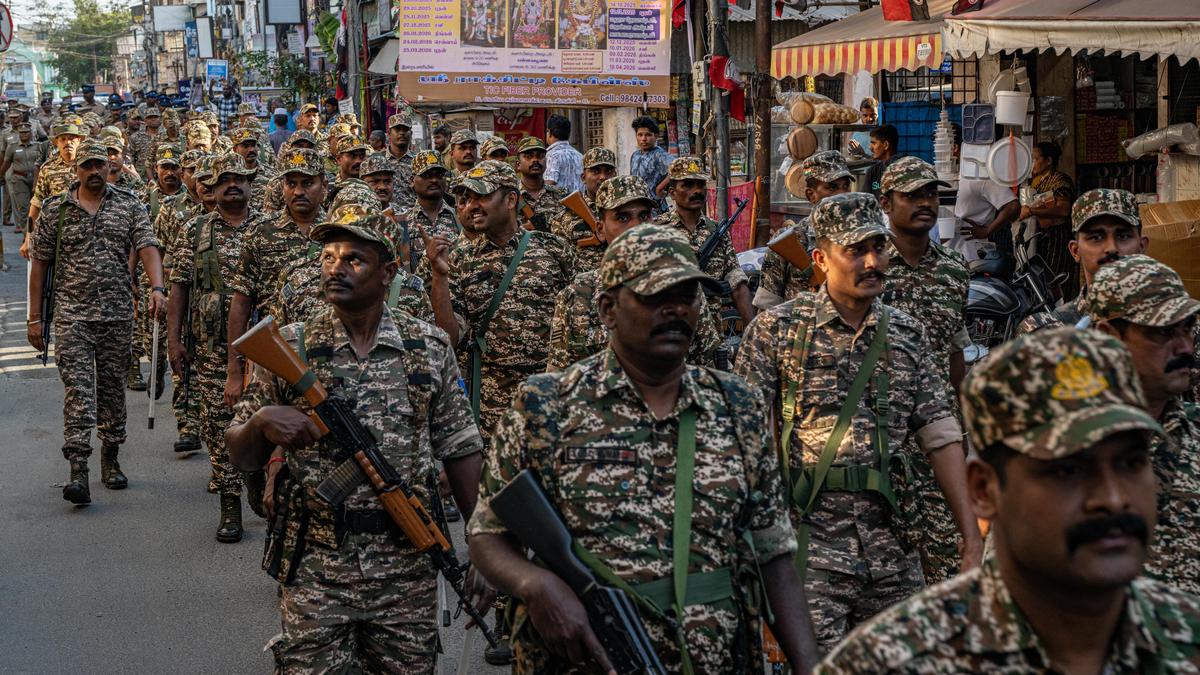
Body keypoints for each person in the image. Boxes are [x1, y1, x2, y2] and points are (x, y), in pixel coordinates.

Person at [469, 222, 821, 673]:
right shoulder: (545, 406)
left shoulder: (738, 406)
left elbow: (774, 555)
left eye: (688, 296)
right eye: (656, 297)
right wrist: (534, 585)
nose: (676, 310)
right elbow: (486, 535)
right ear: (607, 309)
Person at [817, 327, 1200, 673]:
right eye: (1067, 471)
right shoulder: (892, 660)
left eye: (1131, 463)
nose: (1113, 499)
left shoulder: (1185, 638)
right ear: (985, 491)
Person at [227, 207, 485, 673]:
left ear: (388, 272)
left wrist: (482, 544)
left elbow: (461, 448)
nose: (336, 268)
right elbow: (239, 453)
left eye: (354, 258)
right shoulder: (289, 346)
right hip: (315, 567)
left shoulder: (427, 347)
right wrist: (262, 421)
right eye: (328, 256)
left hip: (407, 565)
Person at [733, 192, 983, 650]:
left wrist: (971, 539)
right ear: (821, 259)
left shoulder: (907, 333)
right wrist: (760, 551)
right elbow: (749, 442)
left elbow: (941, 435)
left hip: (893, 547)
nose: (872, 261)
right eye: (855, 250)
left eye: (879, 247)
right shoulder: (777, 331)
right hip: (807, 550)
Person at [27, 140, 166, 504]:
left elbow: (148, 246)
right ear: (77, 170)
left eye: (98, 165)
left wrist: (157, 288)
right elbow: (39, 265)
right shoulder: (57, 209)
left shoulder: (129, 205)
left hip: (117, 315)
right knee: (79, 391)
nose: (92, 171)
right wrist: (35, 318)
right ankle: (78, 470)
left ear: (109, 166)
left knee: (111, 391)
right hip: (72, 316)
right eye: (86, 165)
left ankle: (111, 457)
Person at [168, 153, 273, 542]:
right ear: (212, 185)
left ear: (250, 184)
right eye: (224, 179)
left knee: (263, 420)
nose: (232, 185)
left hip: (265, 351)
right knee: (218, 426)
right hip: (211, 349)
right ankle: (230, 506)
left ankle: (256, 477)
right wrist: (175, 340)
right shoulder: (195, 231)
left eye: (239, 179)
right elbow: (180, 287)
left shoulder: (269, 230)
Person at [877, 157, 971, 584]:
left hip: (937, 434)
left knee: (948, 560)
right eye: (911, 195)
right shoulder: (867, 265)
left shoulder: (953, 271)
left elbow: (955, 351)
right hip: (880, 433)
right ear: (886, 202)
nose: (924, 203)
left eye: (930, 194)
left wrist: (964, 428)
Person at [1086, 253, 1200, 595]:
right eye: (1163, 331)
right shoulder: (1060, 449)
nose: (1184, 347)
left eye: (1188, 328)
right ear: (1109, 337)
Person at [547, 174, 722, 371]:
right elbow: (558, 380)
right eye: (622, 218)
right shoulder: (578, 296)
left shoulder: (684, 289)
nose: (636, 227)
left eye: (644, 216)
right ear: (600, 229)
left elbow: (708, 367)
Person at [1023, 188, 1149, 332]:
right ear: (1075, 251)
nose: (1111, 248)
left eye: (1123, 236)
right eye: (1096, 237)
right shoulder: (1051, 330)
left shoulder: (1170, 323)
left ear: (1141, 247)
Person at [656, 155, 754, 327]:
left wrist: (753, 327)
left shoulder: (716, 231)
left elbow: (735, 278)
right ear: (672, 193)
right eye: (687, 185)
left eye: (700, 184)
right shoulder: (656, 231)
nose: (697, 191)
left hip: (712, 335)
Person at [754, 150, 853, 310]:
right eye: (832, 187)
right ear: (811, 195)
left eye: (846, 186)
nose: (842, 194)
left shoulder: (861, 237)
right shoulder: (790, 241)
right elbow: (767, 306)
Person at [20, 116, 85, 259]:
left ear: (79, 141)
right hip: (55, 234)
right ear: (56, 143)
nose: (68, 142)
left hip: (85, 234)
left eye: (72, 138)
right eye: (63, 139)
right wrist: (28, 237)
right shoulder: (48, 169)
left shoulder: (89, 166)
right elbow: (37, 204)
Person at [1025, 140, 1079, 301]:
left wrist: (1031, 211)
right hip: (1041, 239)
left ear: (1048, 161)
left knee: (1057, 283)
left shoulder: (1060, 181)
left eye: (1035, 159)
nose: (1032, 163)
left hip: (1057, 240)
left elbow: (1063, 210)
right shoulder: (1036, 181)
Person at [548, 146, 614, 272]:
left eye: (608, 171)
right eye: (595, 171)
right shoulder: (564, 218)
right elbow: (560, 261)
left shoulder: (627, 212)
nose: (603, 177)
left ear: (615, 175)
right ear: (583, 177)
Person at [395, 150, 457, 274]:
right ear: (412, 181)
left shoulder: (459, 218)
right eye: (427, 175)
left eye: (439, 175)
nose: (434, 180)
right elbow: (401, 274)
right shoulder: (401, 224)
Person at [951, 175, 1021, 272]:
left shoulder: (981, 177)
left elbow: (1013, 206)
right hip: (949, 253)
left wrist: (987, 230)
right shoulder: (947, 176)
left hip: (972, 256)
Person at [513, 136, 565, 232]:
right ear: (518, 165)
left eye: (540, 156)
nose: (535, 160)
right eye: (528, 156)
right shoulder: (510, 197)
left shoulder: (561, 195)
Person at [629, 115, 671, 212]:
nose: (643, 139)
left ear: (655, 136)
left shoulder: (659, 155)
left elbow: (678, 168)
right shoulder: (635, 155)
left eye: (648, 135)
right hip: (637, 205)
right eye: (640, 135)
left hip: (655, 208)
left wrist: (660, 188)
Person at [378, 111, 417, 210]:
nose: (402, 133)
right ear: (389, 134)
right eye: (397, 129)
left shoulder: (418, 161)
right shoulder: (377, 160)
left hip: (411, 216)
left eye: (405, 130)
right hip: (384, 215)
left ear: (411, 133)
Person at [3, 122, 37, 236]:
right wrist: (1, 175)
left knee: (36, 206)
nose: (24, 135)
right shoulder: (12, 147)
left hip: (35, 179)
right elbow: (6, 163)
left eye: (26, 132)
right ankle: (25, 234)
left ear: (31, 133)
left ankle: (35, 233)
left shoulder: (38, 146)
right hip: (19, 179)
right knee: (23, 208)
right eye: (21, 133)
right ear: (18, 134)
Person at [542, 113, 583, 194]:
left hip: (558, 205)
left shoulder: (551, 155)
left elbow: (549, 183)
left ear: (549, 132)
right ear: (569, 133)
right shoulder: (580, 156)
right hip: (581, 204)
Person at [865, 124, 899, 195]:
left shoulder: (906, 168)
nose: (870, 148)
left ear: (886, 145)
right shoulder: (873, 172)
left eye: (874, 143)